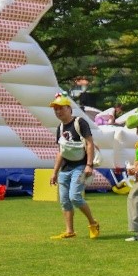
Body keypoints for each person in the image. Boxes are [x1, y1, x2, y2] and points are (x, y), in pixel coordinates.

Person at [48, 94, 101, 240]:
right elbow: (61, 151)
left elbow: (90, 143)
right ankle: (69, 231)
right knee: (64, 200)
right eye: (56, 109)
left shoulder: (80, 122)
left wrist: (89, 165)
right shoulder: (60, 128)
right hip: (65, 169)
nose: (58, 112)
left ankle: (93, 223)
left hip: (80, 166)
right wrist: (54, 172)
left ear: (69, 108)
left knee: (75, 197)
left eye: (61, 108)